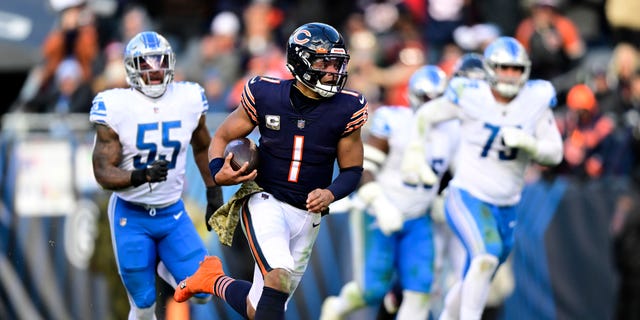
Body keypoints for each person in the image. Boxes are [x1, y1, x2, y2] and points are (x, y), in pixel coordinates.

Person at [172, 22, 368, 320]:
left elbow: (353, 170)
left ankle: (211, 279)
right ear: (300, 62)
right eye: (324, 62)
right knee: (277, 275)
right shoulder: (266, 95)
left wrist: (330, 192)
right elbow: (222, 137)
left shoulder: (347, 108)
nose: (333, 71)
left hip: (308, 215)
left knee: (259, 306)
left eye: (336, 62)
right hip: (266, 200)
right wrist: (217, 170)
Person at [401, 37, 564, 320]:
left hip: (507, 204)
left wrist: (530, 144)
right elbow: (427, 114)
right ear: (490, 68)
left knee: (478, 275)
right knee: (485, 256)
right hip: (468, 195)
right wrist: (414, 154)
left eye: (515, 69)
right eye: (503, 68)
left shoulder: (535, 99)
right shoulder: (470, 95)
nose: (509, 75)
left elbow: (555, 153)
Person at [89, 31, 223, 320]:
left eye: (159, 62)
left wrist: (214, 191)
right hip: (131, 214)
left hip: (172, 211)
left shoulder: (188, 97)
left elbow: (202, 147)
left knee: (202, 290)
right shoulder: (116, 106)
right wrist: (140, 176)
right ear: (131, 68)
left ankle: (163, 263)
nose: (154, 70)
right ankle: (158, 262)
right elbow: (102, 172)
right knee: (144, 303)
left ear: (171, 63)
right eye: (145, 64)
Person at [319, 64, 455, 320]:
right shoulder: (396, 121)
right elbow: (363, 168)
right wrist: (381, 204)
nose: (433, 106)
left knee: (420, 289)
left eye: (439, 99)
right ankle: (336, 309)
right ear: (414, 96)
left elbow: (452, 173)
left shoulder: (452, 132)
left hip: (418, 218)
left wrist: (442, 198)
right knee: (371, 290)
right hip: (377, 214)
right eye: (428, 99)